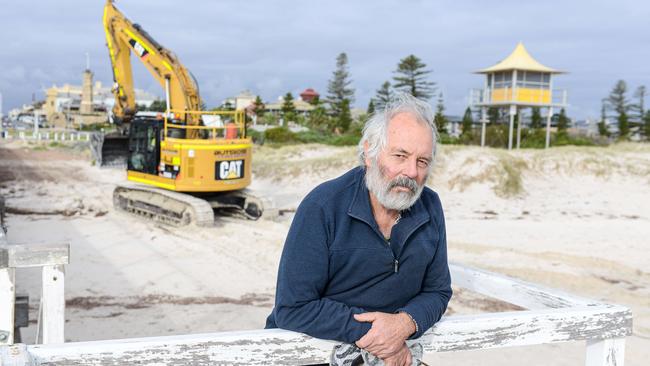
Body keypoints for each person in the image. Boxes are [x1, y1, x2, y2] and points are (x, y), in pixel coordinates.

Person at [266, 93, 452, 366]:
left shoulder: (430, 206)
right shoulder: (322, 206)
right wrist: (381, 338)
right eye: (400, 156)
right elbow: (294, 308)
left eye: (422, 161)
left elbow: (438, 292)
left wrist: (403, 324)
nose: (411, 172)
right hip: (307, 356)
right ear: (369, 153)